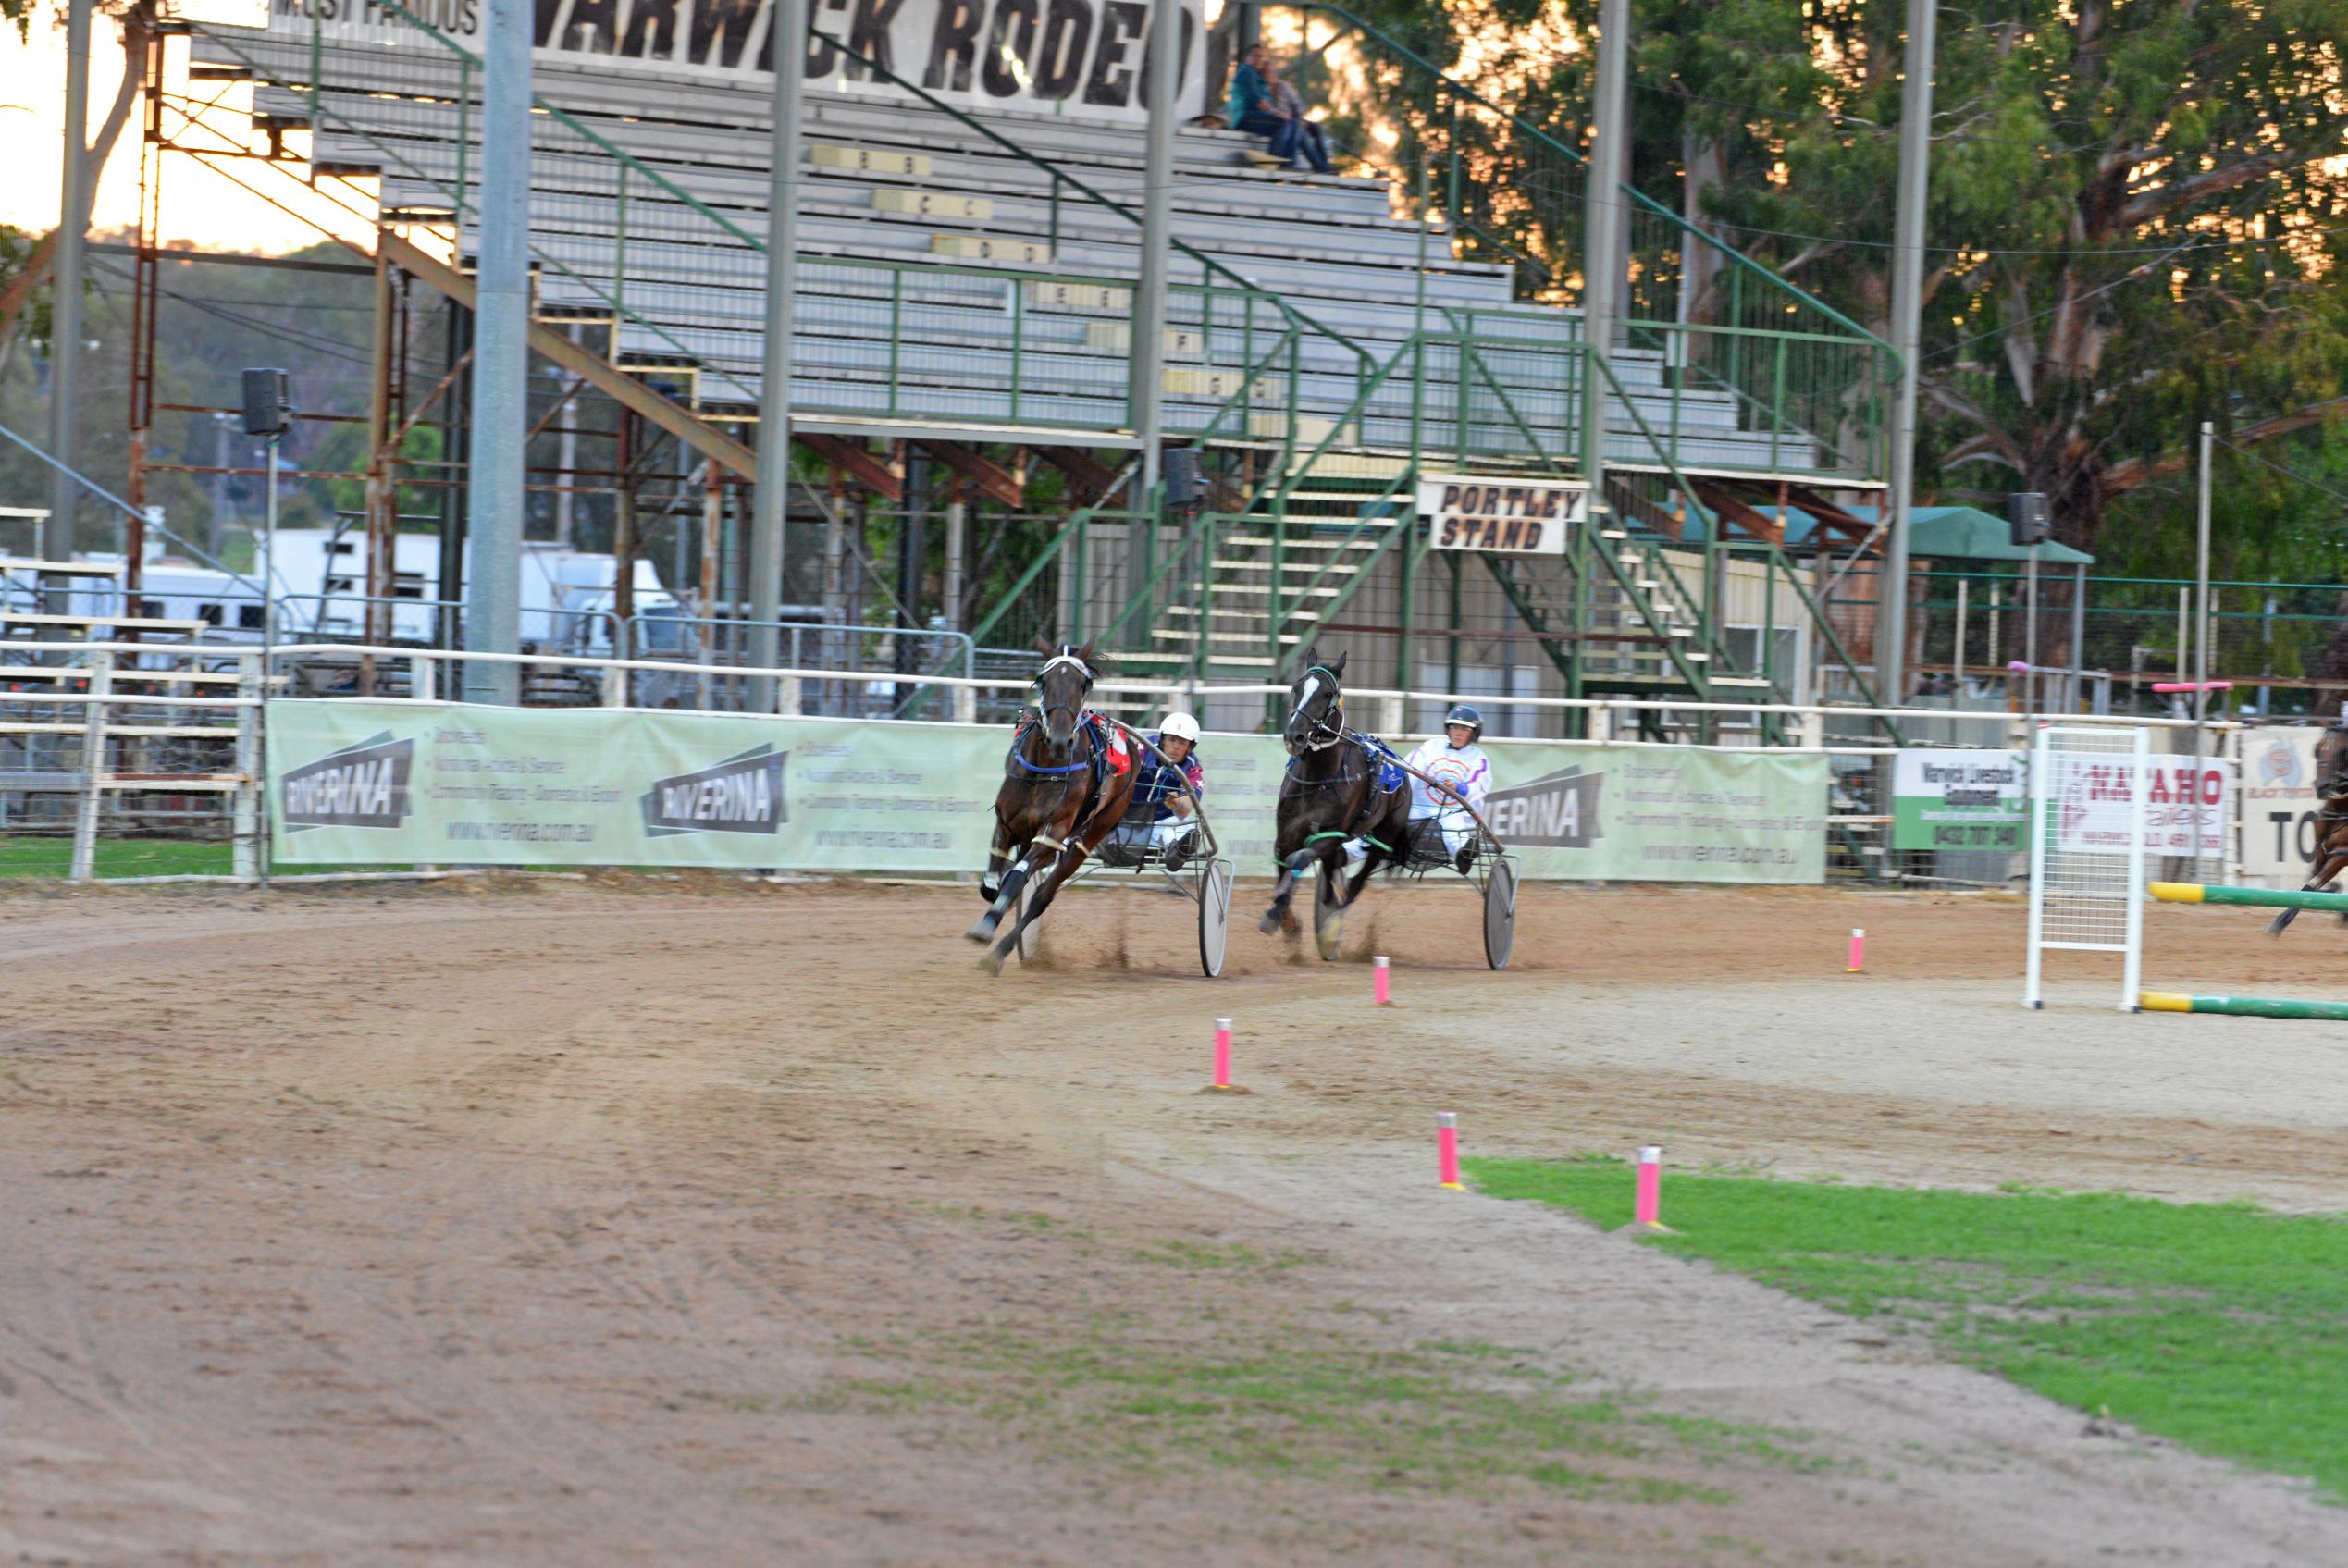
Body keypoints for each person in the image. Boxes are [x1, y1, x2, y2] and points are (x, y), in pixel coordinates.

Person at [1106, 712, 1207, 869]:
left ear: (1190, 747)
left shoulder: (1192, 769)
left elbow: (1184, 811)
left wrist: (1177, 803)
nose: (1175, 746)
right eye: (1171, 739)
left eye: (1182, 742)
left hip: (1159, 825)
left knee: (1181, 826)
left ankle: (1176, 853)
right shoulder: (1142, 749)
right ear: (1162, 739)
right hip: (1123, 818)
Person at [1404, 704, 1494, 874]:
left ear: (1474, 733)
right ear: (1448, 729)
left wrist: (1459, 787)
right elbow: (1410, 770)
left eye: (1465, 729)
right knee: (1393, 818)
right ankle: (1348, 853)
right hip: (1419, 808)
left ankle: (1463, 855)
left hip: (1453, 811)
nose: (1458, 732)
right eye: (1455, 727)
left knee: (1453, 830)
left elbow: (1479, 784)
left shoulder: (1478, 757)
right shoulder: (1431, 747)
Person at [1228, 44, 1299, 167]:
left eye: (1261, 57)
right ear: (1247, 57)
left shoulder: (1255, 74)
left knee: (1292, 123)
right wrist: (1276, 112)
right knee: (1283, 122)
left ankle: (1289, 163)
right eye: (1256, 56)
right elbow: (1259, 102)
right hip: (1244, 117)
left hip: (1256, 116)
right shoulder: (1246, 72)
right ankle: (1271, 162)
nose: (1259, 60)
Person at [1262, 61, 1335, 175]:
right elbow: (1267, 110)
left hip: (1295, 119)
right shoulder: (1263, 91)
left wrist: (1300, 118)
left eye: (1271, 72)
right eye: (1266, 72)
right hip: (1283, 123)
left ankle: (1324, 164)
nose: (1269, 75)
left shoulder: (1283, 87)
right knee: (1302, 135)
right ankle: (1321, 168)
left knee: (1317, 128)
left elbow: (1297, 105)